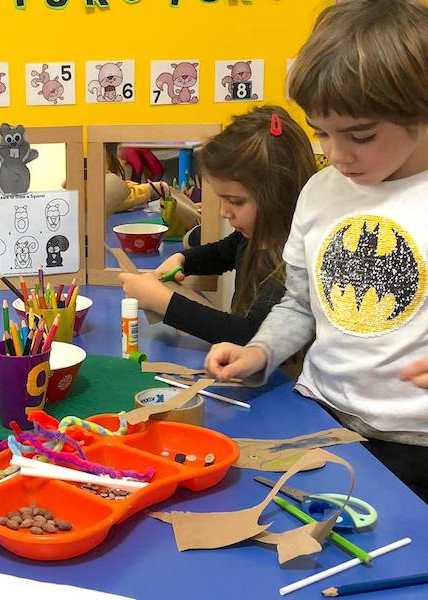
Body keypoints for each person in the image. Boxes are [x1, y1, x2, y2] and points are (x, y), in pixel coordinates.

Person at [205, 0, 428, 501]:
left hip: (416, 445)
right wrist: (261, 350)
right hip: (320, 415)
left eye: (361, 136)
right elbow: (300, 303)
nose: (335, 154)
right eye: (321, 132)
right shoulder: (320, 190)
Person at [119, 105, 316, 345]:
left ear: (279, 196)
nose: (224, 212)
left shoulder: (291, 264)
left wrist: (162, 302)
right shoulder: (253, 236)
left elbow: (250, 335)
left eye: (235, 201)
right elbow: (223, 252)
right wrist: (183, 260)